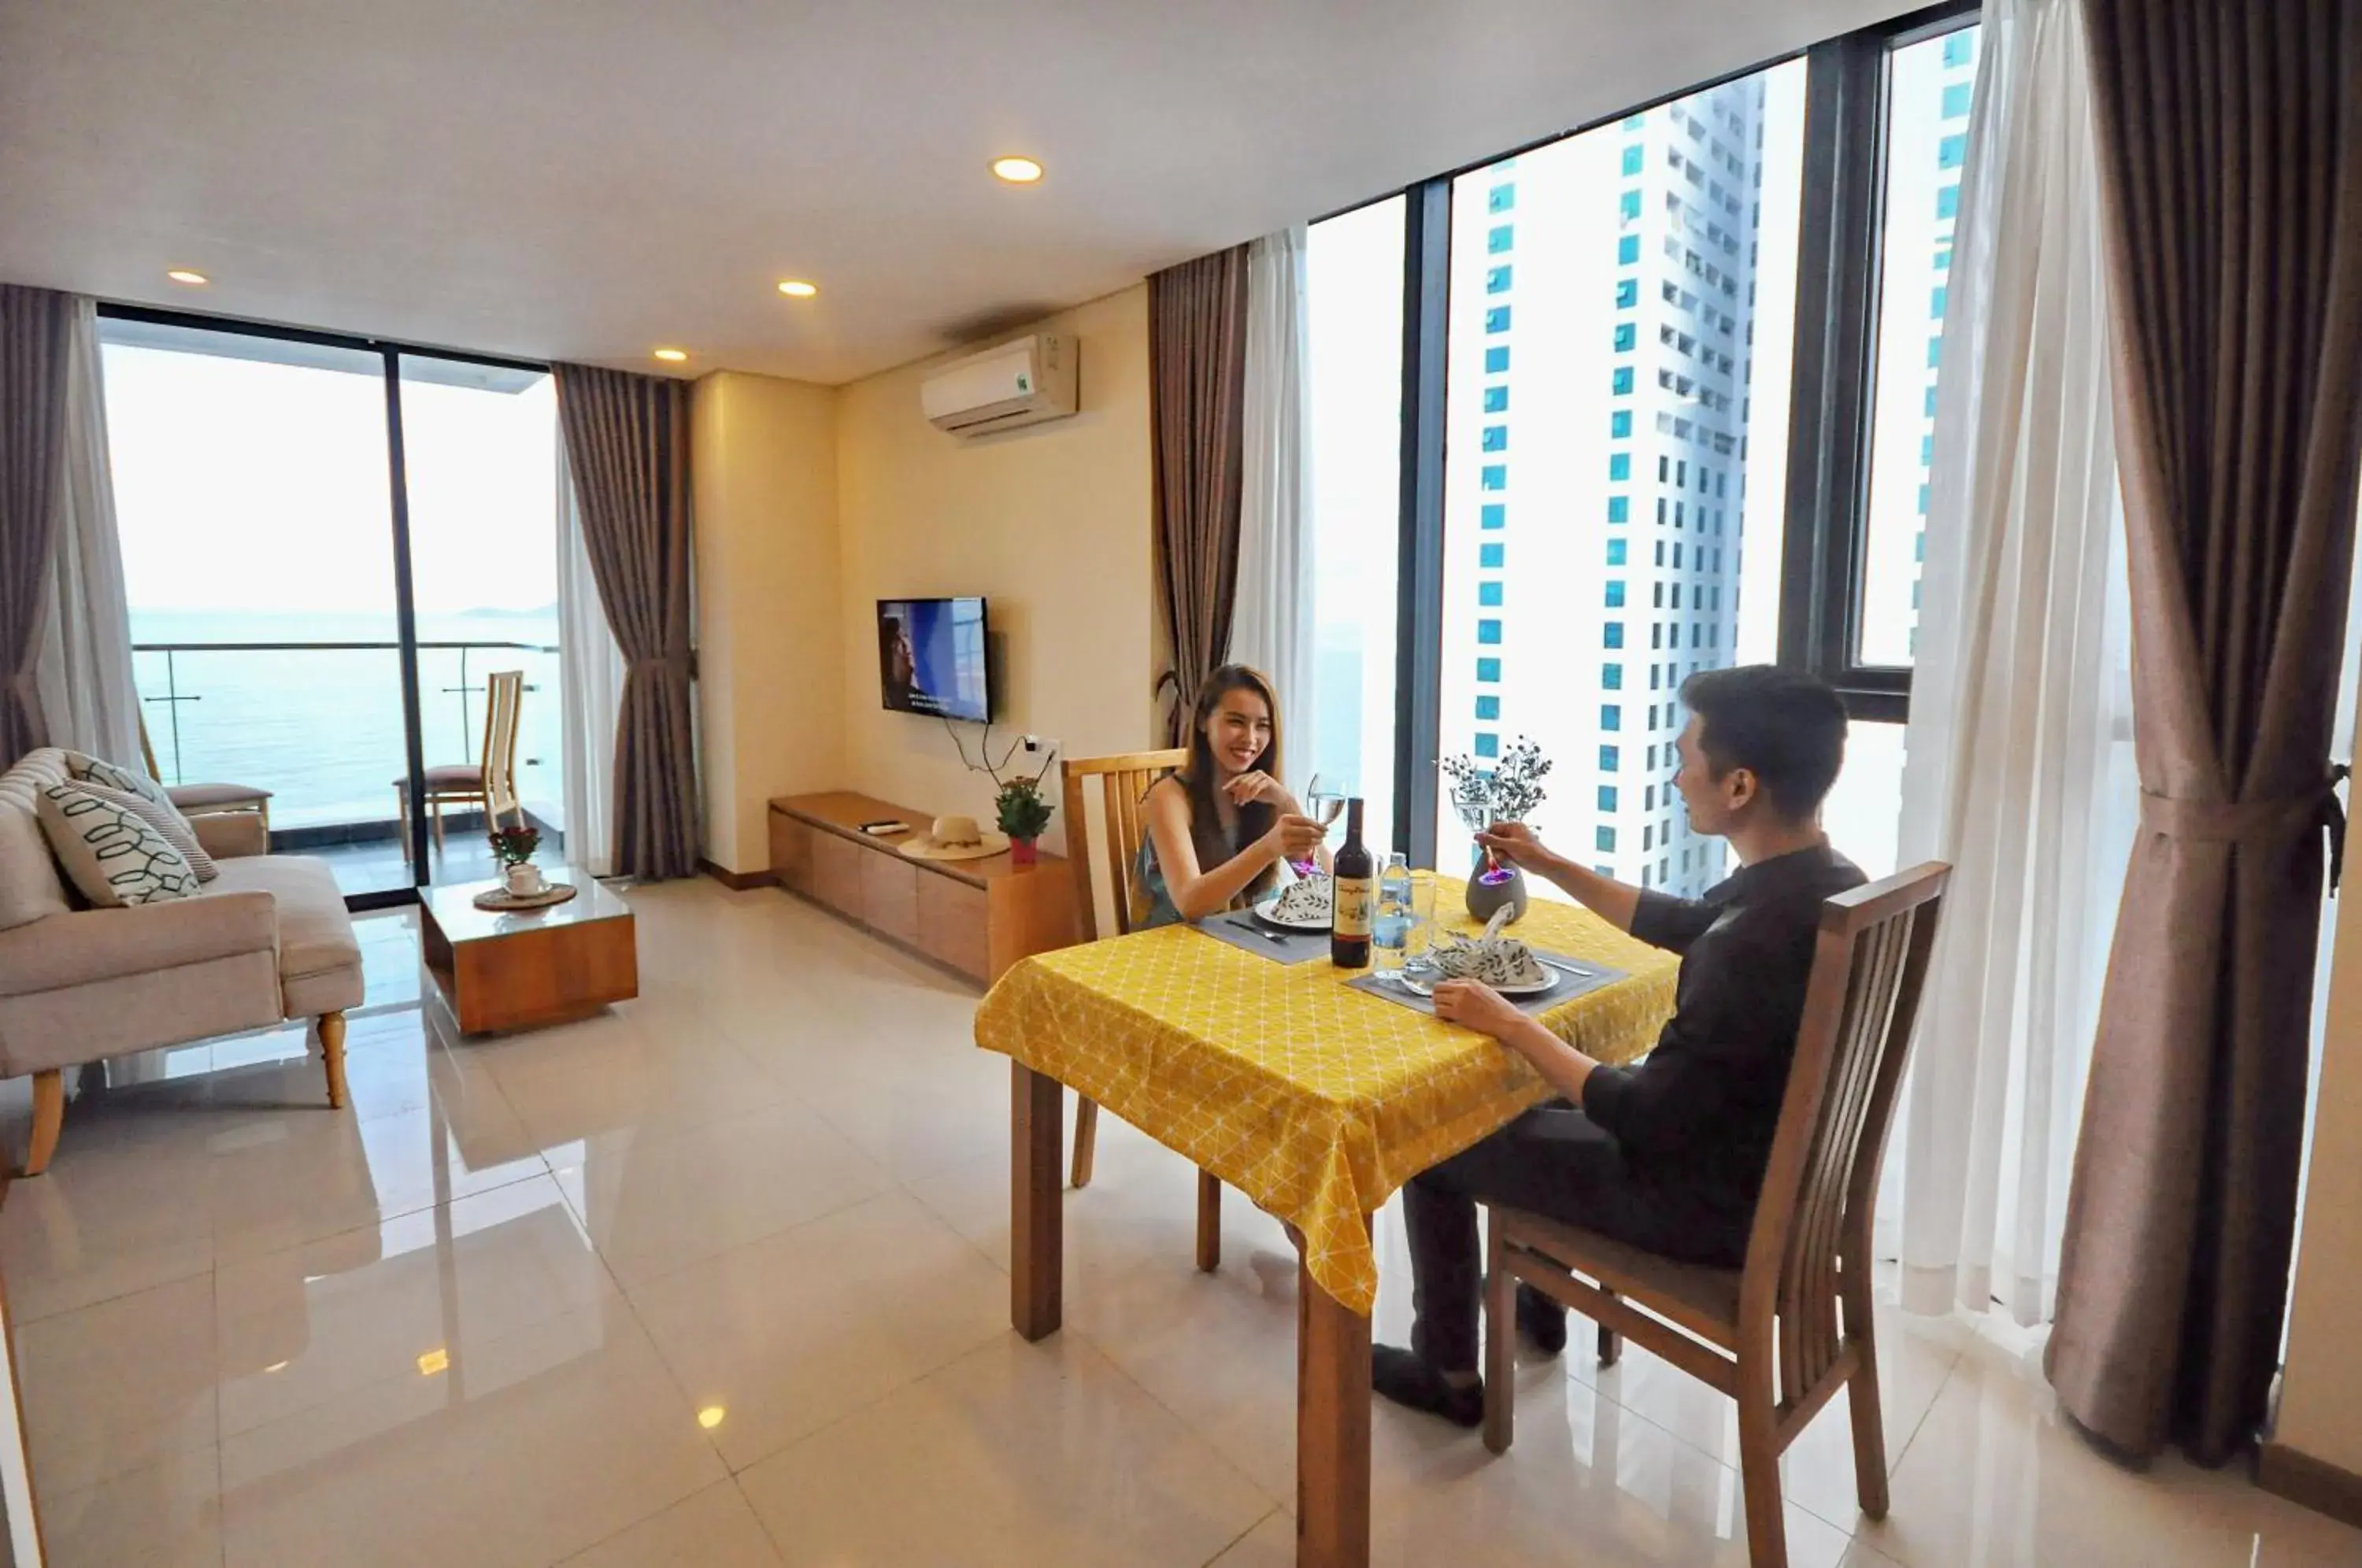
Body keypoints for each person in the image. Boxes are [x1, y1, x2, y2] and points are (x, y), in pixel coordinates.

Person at [1372, 664, 1865, 1427]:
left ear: (1739, 786)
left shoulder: (1749, 949)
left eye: (1686, 759)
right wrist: (1550, 864)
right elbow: (1680, 922)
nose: (1675, 777)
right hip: (1771, 1175)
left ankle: (1447, 1372)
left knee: (1436, 1142)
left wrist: (1510, 1022)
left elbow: (1643, 1115)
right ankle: (1542, 1302)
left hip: (1706, 1206)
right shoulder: (1823, 885)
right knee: (1540, 1087)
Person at [1138, 664, 1327, 928]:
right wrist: (1269, 847)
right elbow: (1190, 903)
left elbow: (1320, 882)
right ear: (1204, 721)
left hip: (1247, 947)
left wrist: (1288, 804)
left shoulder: (1267, 797)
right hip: (1173, 952)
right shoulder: (1169, 796)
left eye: (1262, 726)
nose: (1250, 738)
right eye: (1236, 722)